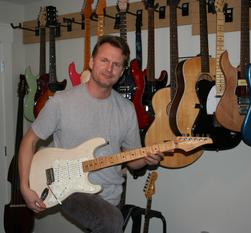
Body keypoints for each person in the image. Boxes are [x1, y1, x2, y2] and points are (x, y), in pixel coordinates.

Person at [18, 35, 163, 233]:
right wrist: (25, 187)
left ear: (122, 71)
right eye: (104, 60)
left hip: (112, 195)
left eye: (116, 64)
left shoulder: (127, 109)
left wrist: (147, 158)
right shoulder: (61, 101)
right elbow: (29, 141)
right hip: (70, 188)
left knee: (110, 220)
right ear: (91, 62)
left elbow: (132, 160)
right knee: (111, 222)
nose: (109, 68)